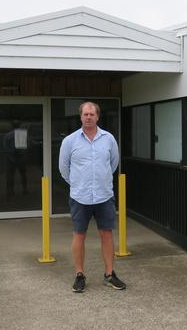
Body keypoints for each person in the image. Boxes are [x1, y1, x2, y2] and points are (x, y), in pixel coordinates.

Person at [59, 101, 126, 293]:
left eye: (92, 114)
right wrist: (78, 183)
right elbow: (64, 169)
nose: (88, 117)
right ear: (80, 117)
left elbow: (113, 164)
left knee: (107, 234)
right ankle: (79, 275)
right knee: (79, 235)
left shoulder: (109, 139)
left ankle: (109, 274)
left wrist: (99, 181)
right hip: (80, 197)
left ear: (98, 117)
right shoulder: (70, 141)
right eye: (85, 114)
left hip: (104, 196)